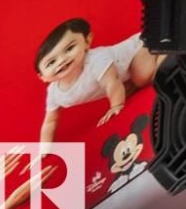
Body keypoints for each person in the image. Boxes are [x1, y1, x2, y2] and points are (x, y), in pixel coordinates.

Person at [34, 19, 162, 144]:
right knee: (129, 86)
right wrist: (44, 148)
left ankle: (168, 54)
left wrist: (116, 106)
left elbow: (112, 83)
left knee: (140, 77)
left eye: (69, 49)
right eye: (51, 62)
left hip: (141, 46)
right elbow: (50, 122)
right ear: (43, 77)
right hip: (127, 72)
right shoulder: (54, 93)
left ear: (87, 41)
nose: (62, 60)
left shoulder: (95, 60)